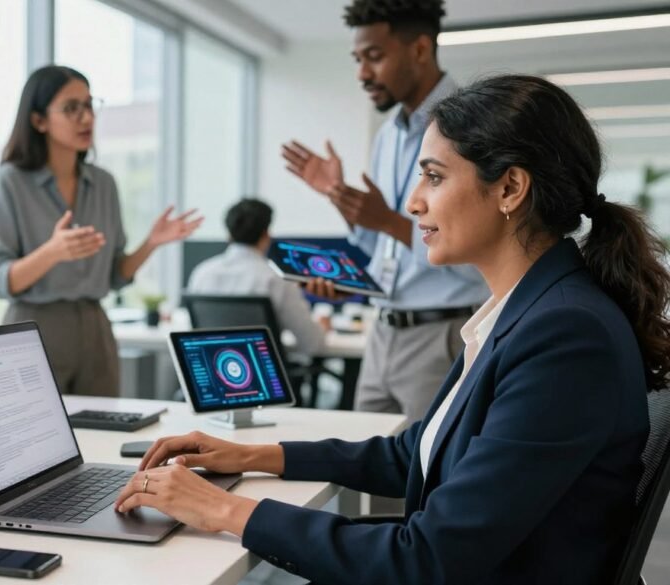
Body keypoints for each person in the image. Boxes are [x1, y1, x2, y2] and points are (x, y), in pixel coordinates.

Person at [114, 74, 670, 583]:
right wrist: (253, 455)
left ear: (510, 189)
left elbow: (423, 558)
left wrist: (223, 510)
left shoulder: (565, 334)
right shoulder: (530, 310)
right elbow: (416, 454)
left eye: (433, 176)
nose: (412, 202)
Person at [281, 0, 488, 421]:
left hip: (443, 334)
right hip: (383, 330)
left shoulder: (474, 126)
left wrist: (386, 220)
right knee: (367, 472)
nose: (362, 73)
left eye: (374, 57)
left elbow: (476, 250)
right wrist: (347, 211)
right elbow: (383, 246)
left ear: (419, 50)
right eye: (358, 59)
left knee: (425, 477)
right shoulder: (387, 138)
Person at [0, 65, 202, 396]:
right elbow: (0, 280)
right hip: (32, 327)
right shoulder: (8, 183)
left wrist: (151, 244)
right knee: (37, 442)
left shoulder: (103, 183)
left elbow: (115, 275)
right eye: (72, 108)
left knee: (104, 433)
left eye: (89, 105)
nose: (86, 118)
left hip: (95, 328)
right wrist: (53, 251)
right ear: (38, 120)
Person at [187, 198, 330, 356]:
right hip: (264, 377)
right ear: (266, 234)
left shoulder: (202, 273)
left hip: (214, 372)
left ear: (229, 234)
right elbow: (312, 345)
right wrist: (323, 326)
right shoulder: (277, 279)